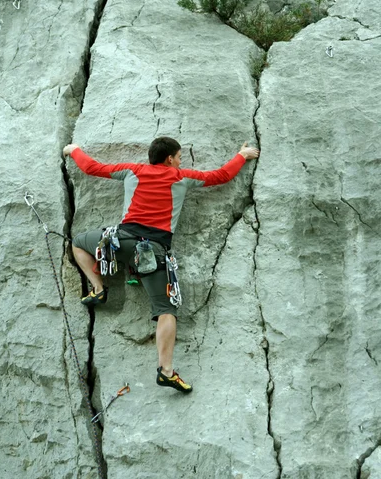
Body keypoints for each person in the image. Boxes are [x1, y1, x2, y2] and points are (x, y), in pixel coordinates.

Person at [63, 137, 259, 394]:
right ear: (169, 159)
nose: (181, 161)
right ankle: (166, 370)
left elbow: (92, 168)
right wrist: (242, 156)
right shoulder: (182, 177)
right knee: (166, 310)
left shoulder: (132, 170)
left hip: (118, 242)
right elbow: (221, 175)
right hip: (152, 252)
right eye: (179, 157)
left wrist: (73, 149)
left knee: (78, 242)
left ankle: (98, 287)